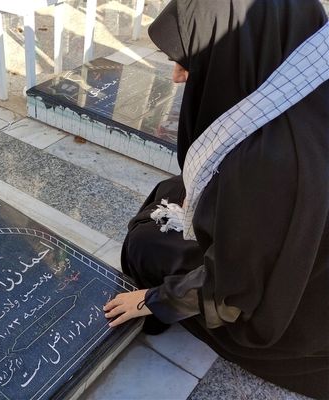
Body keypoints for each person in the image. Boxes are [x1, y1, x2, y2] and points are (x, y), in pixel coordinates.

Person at [103, 0, 329, 398]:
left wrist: (154, 300)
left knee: (144, 242)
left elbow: (233, 291)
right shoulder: (311, 69)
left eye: (193, 60)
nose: (177, 77)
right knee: (173, 191)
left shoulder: (268, 157)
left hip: (297, 314)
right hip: (307, 256)